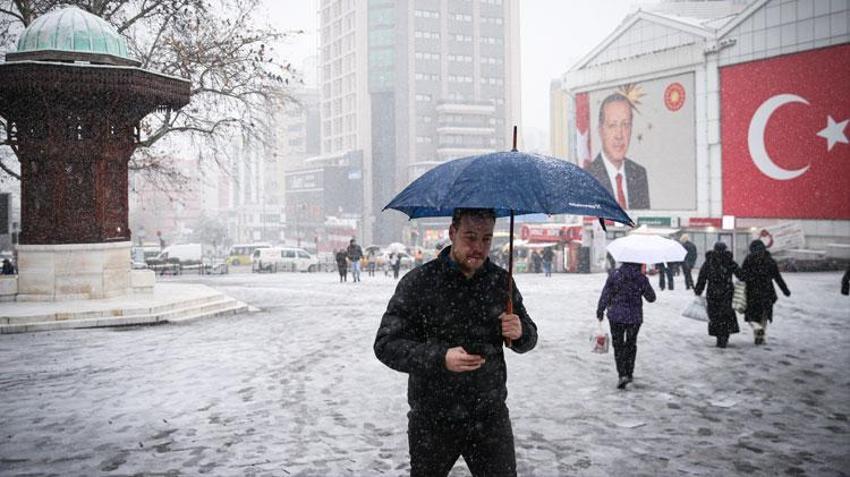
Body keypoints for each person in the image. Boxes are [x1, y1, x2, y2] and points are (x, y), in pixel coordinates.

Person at [374, 207, 538, 477]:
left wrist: (521, 332)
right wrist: (441, 358)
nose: (479, 247)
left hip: (489, 416)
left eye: (486, 239)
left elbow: (528, 337)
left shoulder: (500, 281)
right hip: (433, 418)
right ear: (452, 233)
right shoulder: (419, 283)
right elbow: (386, 344)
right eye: (470, 237)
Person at [596, 262, 656, 389]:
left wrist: (600, 310)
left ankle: (622, 374)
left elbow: (606, 294)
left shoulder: (615, 275)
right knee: (631, 344)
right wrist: (642, 286)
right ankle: (629, 373)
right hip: (634, 318)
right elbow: (651, 298)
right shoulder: (641, 278)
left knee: (618, 346)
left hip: (616, 316)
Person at [585, 93, 650, 209]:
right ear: (600, 130)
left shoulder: (639, 174)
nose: (619, 135)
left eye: (625, 125)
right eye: (612, 125)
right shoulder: (586, 179)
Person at [740, 240, 790, 345]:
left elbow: (742, 276)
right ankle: (760, 333)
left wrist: (745, 281)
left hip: (752, 292)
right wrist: (785, 290)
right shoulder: (770, 261)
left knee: (752, 316)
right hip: (767, 292)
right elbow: (777, 277)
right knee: (764, 315)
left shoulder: (749, 260)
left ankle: (758, 331)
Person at [694, 242, 743, 348]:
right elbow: (740, 274)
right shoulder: (729, 261)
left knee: (715, 316)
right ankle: (725, 335)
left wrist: (698, 290)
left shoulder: (709, 262)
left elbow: (702, 278)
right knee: (726, 315)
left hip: (713, 293)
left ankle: (719, 337)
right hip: (727, 292)